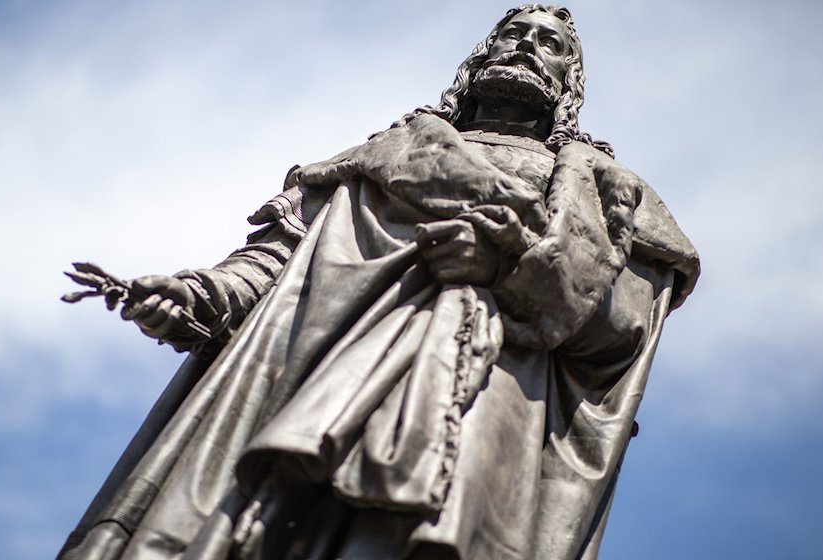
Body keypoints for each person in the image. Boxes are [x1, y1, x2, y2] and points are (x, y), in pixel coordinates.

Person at [59, 5, 699, 559]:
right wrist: (199, 297)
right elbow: (280, 260)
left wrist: (506, 268)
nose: (528, 44)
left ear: (567, 83)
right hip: (325, 378)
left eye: (550, 43)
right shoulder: (388, 155)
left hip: (492, 398)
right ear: (478, 61)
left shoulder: (600, 191)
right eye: (514, 33)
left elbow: (623, 329)